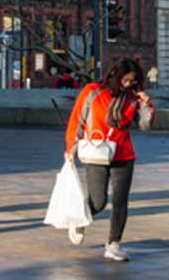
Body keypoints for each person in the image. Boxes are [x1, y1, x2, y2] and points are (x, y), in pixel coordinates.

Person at [63, 56, 155, 261]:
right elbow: (77, 119)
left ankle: (114, 244)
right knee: (98, 201)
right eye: (125, 80)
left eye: (132, 81)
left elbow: (145, 126)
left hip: (123, 153)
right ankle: (79, 220)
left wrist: (146, 105)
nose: (128, 84)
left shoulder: (132, 98)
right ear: (115, 75)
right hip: (96, 151)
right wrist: (71, 147)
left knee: (121, 201)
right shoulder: (92, 91)